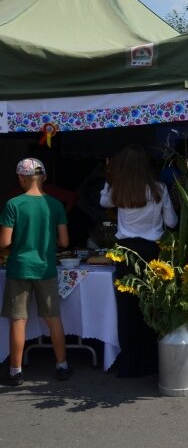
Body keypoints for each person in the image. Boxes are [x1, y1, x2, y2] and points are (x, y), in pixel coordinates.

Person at [100, 145, 178, 377]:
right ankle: (149, 362)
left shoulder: (118, 191)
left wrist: (109, 180)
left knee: (127, 309)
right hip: (152, 252)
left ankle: (128, 364)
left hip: (125, 252)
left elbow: (104, 201)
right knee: (150, 306)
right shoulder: (159, 189)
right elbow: (172, 222)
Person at [1, 158, 71, 386]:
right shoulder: (56, 205)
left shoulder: (13, 204)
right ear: (44, 177)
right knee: (54, 319)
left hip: (19, 267)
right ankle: (62, 366)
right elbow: (64, 241)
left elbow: (4, 242)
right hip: (46, 268)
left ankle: (15, 372)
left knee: (18, 320)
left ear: (21, 178)